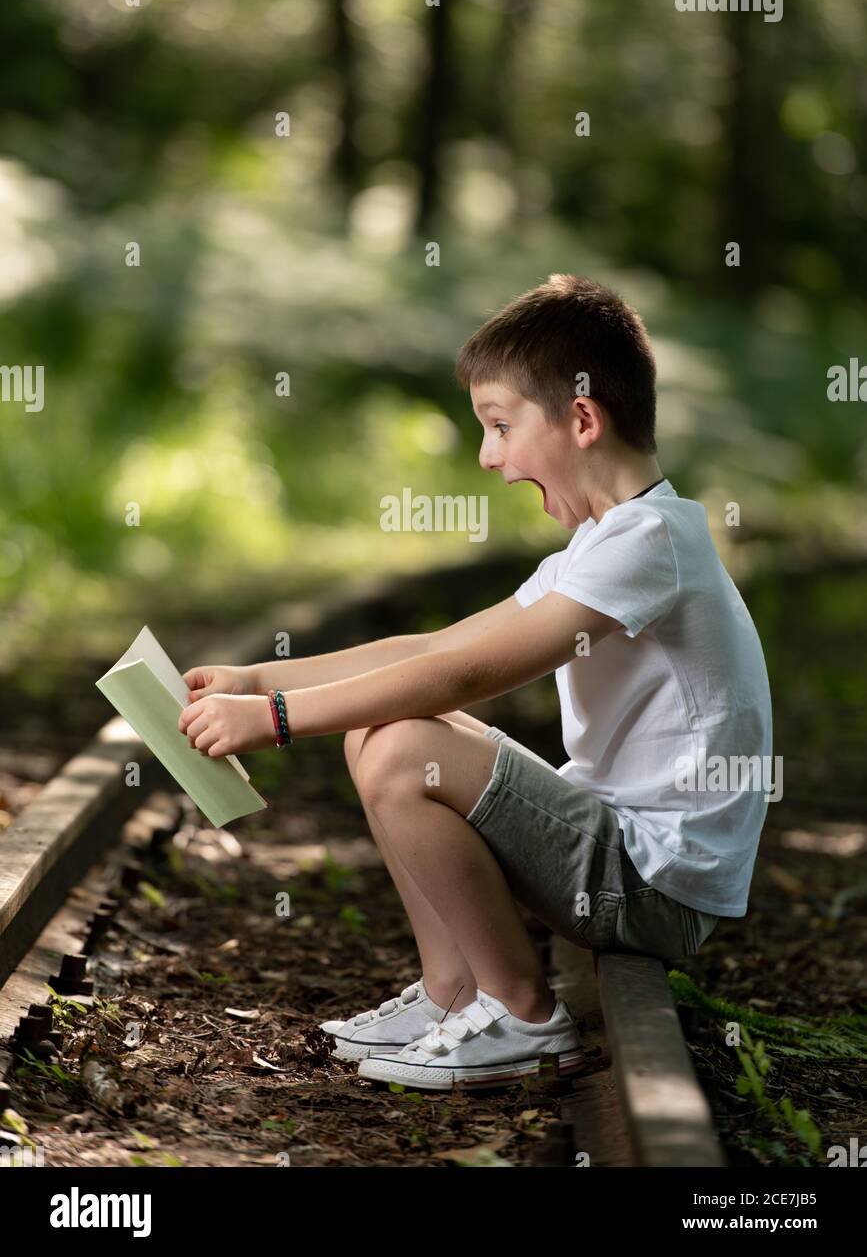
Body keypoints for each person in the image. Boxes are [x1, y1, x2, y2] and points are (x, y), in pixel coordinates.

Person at [178, 273, 773, 1092]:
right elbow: (434, 643)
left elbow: (465, 673)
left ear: (582, 418)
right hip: (622, 854)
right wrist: (256, 676)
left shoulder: (649, 545)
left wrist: (275, 719)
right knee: (378, 732)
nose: (490, 457)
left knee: (402, 748)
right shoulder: (608, 542)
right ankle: (453, 993)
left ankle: (524, 1015)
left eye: (499, 427)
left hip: (655, 884)